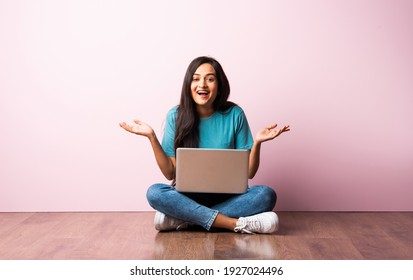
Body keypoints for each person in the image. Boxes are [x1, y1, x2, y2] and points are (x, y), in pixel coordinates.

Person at [119, 56, 290, 234]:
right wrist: (152, 137)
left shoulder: (235, 114)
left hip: (229, 197)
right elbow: (170, 172)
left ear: (219, 85)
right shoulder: (175, 116)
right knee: (154, 192)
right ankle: (234, 224)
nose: (202, 85)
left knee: (265, 195)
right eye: (196, 78)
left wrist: (258, 143)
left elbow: (249, 172)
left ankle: (183, 219)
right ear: (188, 84)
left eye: (210, 79)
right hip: (187, 197)